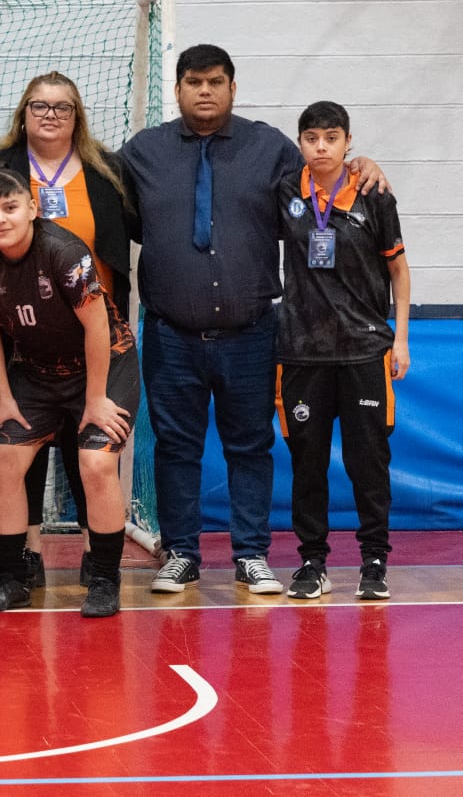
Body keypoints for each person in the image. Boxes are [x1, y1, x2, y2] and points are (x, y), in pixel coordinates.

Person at [118, 44, 387, 596]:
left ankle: (250, 554)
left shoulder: (271, 149)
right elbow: (117, 216)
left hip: (252, 333)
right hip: (170, 334)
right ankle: (182, 553)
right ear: (177, 89)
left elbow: (324, 176)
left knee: (251, 444)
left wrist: (364, 164)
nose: (205, 91)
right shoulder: (141, 153)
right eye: (194, 82)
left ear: (233, 88)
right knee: (175, 446)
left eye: (216, 81)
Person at [0, 71, 133, 588]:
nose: (49, 114)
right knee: (12, 454)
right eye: (39, 106)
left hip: (94, 335)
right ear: (23, 114)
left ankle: (102, 569)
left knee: (90, 457)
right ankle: (19, 567)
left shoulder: (106, 172)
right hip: (32, 344)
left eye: (62, 107)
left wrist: (95, 397)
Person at [276, 101, 409, 601]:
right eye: (312, 137)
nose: (322, 146)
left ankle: (374, 561)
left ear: (348, 142)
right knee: (307, 462)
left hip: (365, 350)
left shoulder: (374, 194)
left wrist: (400, 339)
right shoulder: (287, 191)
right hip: (302, 351)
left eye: (332, 137)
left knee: (367, 461)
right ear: (301, 143)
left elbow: (399, 271)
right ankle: (312, 562)